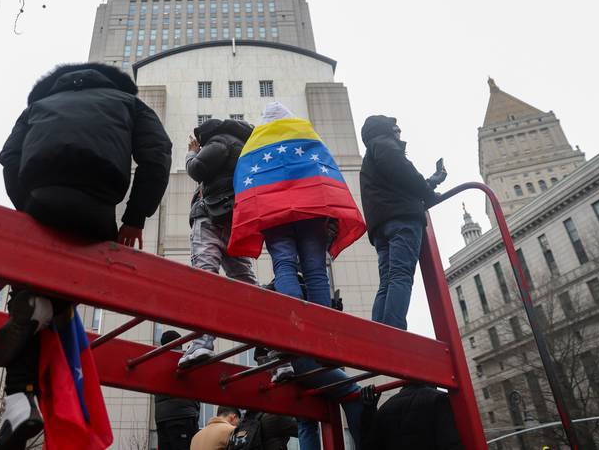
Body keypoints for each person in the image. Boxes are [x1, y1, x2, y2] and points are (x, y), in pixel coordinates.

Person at [0, 62, 172, 450]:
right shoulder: (129, 103)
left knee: (30, 292)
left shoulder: (39, 106)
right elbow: (157, 157)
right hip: (96, 210)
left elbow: (8, 158)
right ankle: (38, 337)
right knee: (60, 300)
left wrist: (26, 208)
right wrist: (135, 219)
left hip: (40, 198)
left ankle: (19, 397)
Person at [227, 101, 368, 449]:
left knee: (284, 266)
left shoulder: (255, 143)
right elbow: (327, 171)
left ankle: (294, 323)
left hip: (272, 210)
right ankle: (321, 324)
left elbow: (244, 182)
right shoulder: (306, 136)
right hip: (312, 207)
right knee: (315, 268)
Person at [179, 118, 257, 368]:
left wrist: (192, 153)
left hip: (211, 217)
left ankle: (202, 341)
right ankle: (270, 351)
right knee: (246, 282)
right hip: (234, 219)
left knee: (205, 275)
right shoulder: (246, 147)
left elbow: (197, 169)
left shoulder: (219, 141)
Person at [359, 115, 446, 330]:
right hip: (403, 220)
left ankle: (380, 333)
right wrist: (428, 192)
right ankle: (395, 331)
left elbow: (396, 182)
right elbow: (405, 174)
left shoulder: (372, 155)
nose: (399, 133)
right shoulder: (385, 145)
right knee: (401, 275)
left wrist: (430, 183)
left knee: (387, 279)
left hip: (382, 225)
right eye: (395, 128)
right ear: (385, 130)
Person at [362, 383, 463, 449]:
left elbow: (371, 446)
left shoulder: (385, 407)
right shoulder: (439, 399)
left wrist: (368, 411)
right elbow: (451, 444)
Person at [155, 331, 201, 450]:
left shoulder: (157, 361)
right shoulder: (185, 359)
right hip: (182, 415)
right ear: (179, 343)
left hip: (161, 418)